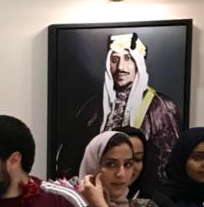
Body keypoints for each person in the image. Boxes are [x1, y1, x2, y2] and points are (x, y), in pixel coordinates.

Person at [58, 33, 181, 191]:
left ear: (138, 63)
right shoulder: (92, 107)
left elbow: (167, 166)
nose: (121, 67)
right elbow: (69, 159)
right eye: (115, 59)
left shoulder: (162, 107)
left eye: (128, 58)